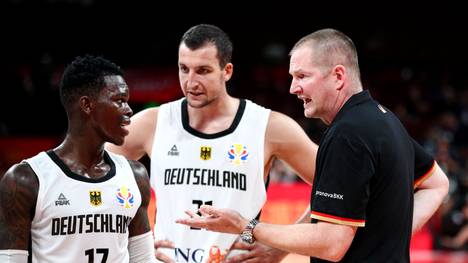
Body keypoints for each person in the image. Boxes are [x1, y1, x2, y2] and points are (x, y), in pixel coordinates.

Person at [176, 28, 450, 262]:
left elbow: (331, 243)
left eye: (302, 76)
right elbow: (438, 183)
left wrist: (245, 226)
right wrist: (389, 239)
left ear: (338, 76)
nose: (293, 88)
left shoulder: (347, 134)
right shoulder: (386, 120)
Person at [106, 24, 318, 263]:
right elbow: (89, 177)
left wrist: (279, 247)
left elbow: (339, 184)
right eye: (184, 69)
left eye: (203, 70)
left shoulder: (268, 127)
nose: (191, 81)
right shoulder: (152, 123)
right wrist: (135, 242)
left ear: (226, 71)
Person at [0, 55, 156, 263]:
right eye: (119, 100)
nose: (128, 110)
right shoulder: (26, 180)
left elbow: (143, 260)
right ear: (87, 105)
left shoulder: (135, 175)